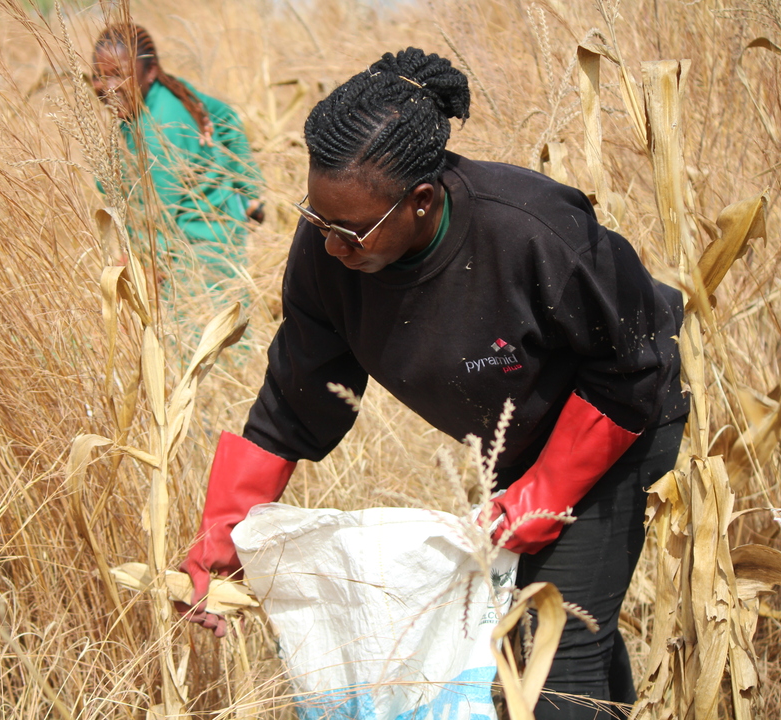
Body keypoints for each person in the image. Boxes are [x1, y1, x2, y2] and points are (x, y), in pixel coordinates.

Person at [179, 46, 690, 719]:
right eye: (317, 220)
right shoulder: (331, 252)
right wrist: (224, 533)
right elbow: (296, 397)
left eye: (350, 231)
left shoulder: (532, 229)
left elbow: (631, 366)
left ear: (420, 202)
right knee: (566, 627)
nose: (330, 245)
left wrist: (543, 492)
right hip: (518, 441)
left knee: (549, 646)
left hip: (620, 417)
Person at [91, 23, 264, 285]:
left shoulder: (157, 130)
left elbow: (155, 220)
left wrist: (140, 269)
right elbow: (225, 115)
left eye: (119, 74)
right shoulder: (166, 91)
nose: (108, 87)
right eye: (98, 76)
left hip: (195, 261)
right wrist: (250, 190)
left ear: (150, 71)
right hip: (219, 241)